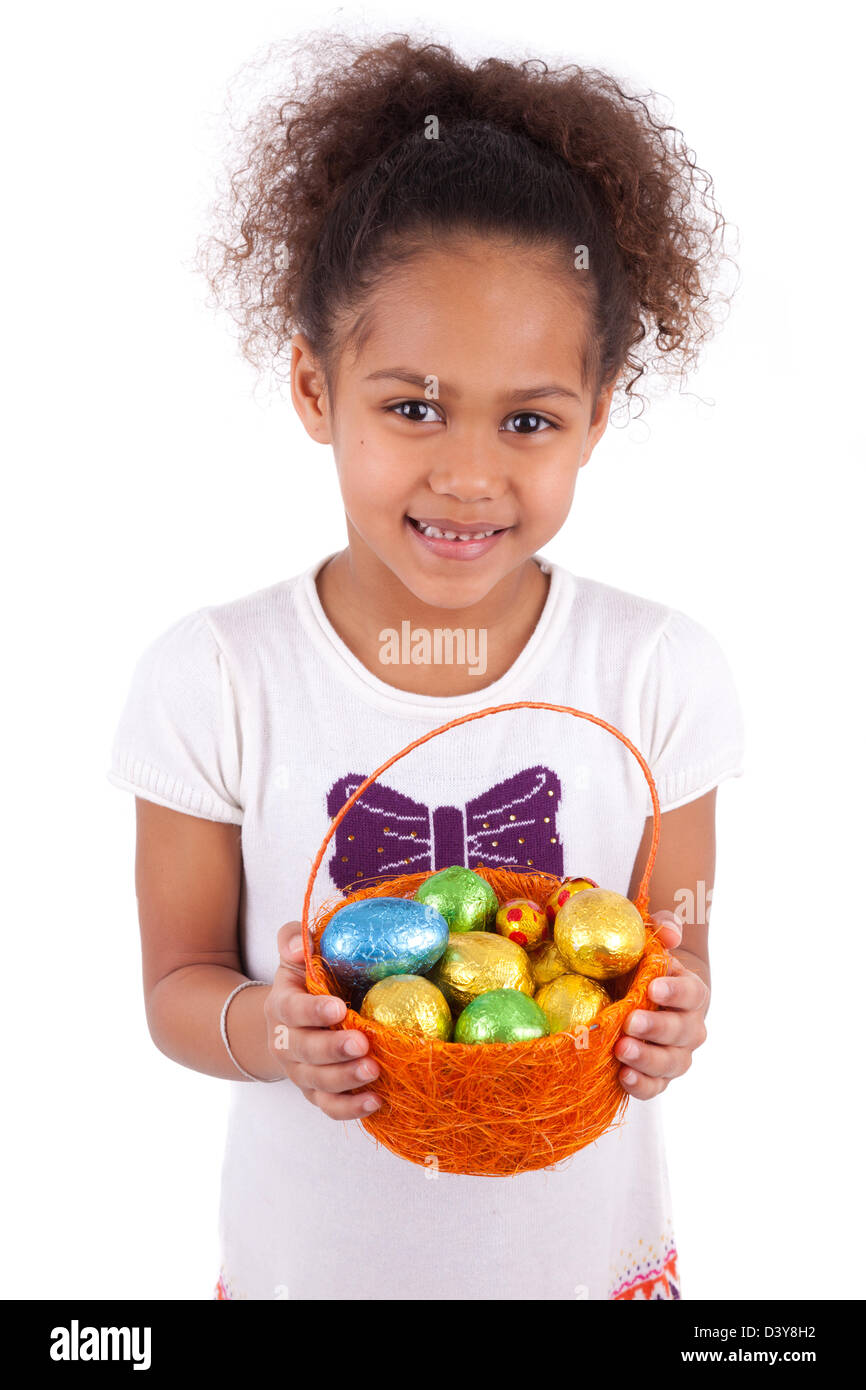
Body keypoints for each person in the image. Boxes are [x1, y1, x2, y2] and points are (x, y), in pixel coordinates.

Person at [106, 32, 745, 1300]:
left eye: (526, 420)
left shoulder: (656, 671)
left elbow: (671, 935)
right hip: (312, 1273)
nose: (466, 473)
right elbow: (177, 983)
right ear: (311, 384)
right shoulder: (219, 674)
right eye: (410, 406)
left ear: (595, 415)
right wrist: (266, 1032)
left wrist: (678, 1008)